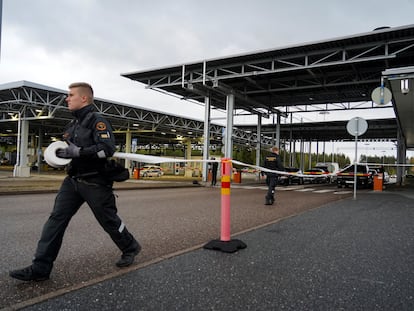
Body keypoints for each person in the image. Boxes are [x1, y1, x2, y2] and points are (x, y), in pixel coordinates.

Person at [10, 82, 140, 282]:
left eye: (70, 95)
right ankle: (40, 268)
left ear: (84, 98)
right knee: (55, 221)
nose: (67, 99)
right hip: (72, 181)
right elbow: (69, 152)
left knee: (109, 221)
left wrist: (80, 152)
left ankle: (130, 246)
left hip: (95, 182)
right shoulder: (71, 126)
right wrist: (62, 155)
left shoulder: (97, 121)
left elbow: (107, 148)